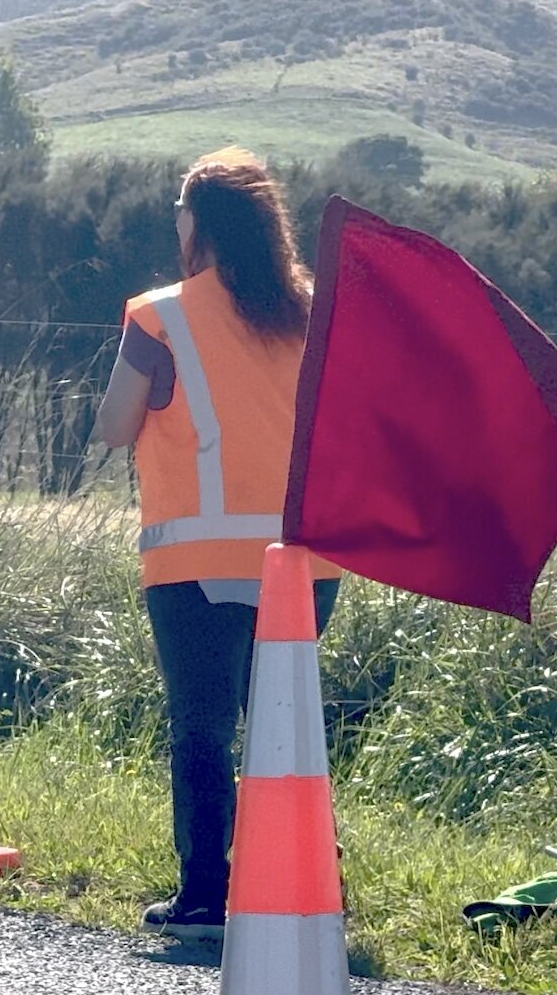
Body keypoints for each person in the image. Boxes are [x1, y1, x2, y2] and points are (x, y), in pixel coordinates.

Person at [94, 147, 345, 941]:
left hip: (198, 562)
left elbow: (110, 428)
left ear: (196, 224)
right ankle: (306, 886)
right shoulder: (311, 305)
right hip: (308, 563)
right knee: (285, 730)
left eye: (179, 210)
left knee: (202, 727)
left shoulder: (160, 315)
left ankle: (205, 898)